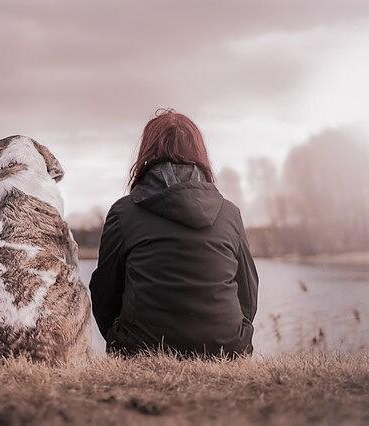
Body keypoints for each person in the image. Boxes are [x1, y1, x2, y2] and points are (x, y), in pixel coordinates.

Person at [89, 109, 258, 358]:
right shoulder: (229, 213)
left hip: (141, 350)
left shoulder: (124, 212)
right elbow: (248, 293)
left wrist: (121, 340)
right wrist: (232, 337)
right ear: (199, 154)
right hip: (226, 349)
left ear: (146, 153)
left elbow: (104, 292)